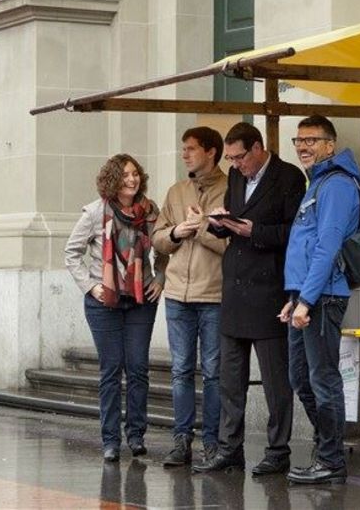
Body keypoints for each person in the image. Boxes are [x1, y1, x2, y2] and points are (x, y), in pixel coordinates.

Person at [193, 122, 306, 475]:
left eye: (240, 157)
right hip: (235, 287)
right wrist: (217, 223)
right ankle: (229, 448)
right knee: (230, 379)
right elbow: (232, 215)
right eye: (231, 159)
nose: (236, 164)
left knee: (276, 381)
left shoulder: (288, 177)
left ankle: (278, 450)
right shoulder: (236, 177)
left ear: (258, 148)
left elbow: (296, 231)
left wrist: (256, 231)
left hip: (269, 288)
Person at [65, 154, 167, 462]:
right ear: (112, 179)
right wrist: (90, 286)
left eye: (135, 173)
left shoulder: (149, 210)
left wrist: (160, 276)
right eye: (124, 175)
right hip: (103, 302)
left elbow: (162, 246)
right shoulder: (95, 213)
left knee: (137, 368)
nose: (132, 179)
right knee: (111, 370)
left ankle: (136, 436)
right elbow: (72, 253)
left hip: (140, 299)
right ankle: (110, 440)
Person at [278, 115, 360, 485]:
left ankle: (331, 459)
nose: (303, 147)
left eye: (311, 140)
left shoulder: (337, 185)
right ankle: (327, 445)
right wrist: (294, 296)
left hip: (325, 296)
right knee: (300, 377)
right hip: (307, 294)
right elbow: (306, 245)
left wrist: (307, 300)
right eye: (298, 140)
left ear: (330, 145)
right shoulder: (318, 183)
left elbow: (327, 247)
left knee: (323, 378)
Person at [151, 127, 228, 467]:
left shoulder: (232, 189)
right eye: (183, 148)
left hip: (214, 294)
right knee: (180, 370)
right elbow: (157, 239)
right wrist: (175, 232)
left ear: (211, 152)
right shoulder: (177, 191)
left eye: (191, 148)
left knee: (213, 372)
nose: (184, 154)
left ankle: (212, 442)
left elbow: (233, 245)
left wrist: (201, 229)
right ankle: (181, 440)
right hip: (177, 295)